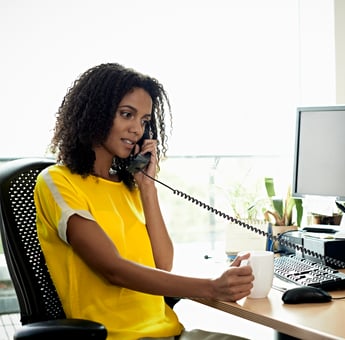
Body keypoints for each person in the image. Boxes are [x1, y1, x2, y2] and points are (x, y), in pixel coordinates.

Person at [34, 63, 254, 340]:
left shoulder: (129, 187)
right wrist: (211, 287)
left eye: (144, 121)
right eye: (127, 114)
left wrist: (147, 188)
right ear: (95, 114)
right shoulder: (57, 181)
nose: (137, 129)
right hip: (116, 336)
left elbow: (162, 265)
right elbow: (114, 270)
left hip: (170, 332)